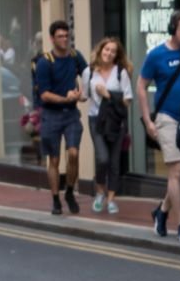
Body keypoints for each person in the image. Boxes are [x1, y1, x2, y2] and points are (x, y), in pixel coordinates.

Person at [138, 10, 180, 242]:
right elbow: (141, 86)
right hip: (167, 117)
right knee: (176, 170)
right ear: (173, 29)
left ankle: (162, 211)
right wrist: (147, 120)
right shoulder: (156, 55)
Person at [33, 21, 88, 218]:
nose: (65, 39)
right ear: (52, 39)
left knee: (73, 153)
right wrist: (66, 98)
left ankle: (70, 192)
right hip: (51, 115)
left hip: (71, 114)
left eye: (67, 36)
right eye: (60, 36)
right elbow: (45, 95)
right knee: (54, 159)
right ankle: (56, 199)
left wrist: (83, 93)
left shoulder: (75, 56)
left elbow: (87, 75)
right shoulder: (45, 62)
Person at [84, 37, 132, 215]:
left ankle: (111, 198)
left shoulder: (121, 73)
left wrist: (108, 95)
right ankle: (99, 192)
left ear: (116, 55)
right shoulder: (88, 72)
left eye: (113, 51)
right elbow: (84, 95)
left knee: (114, 161)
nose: (109, 53)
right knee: (102, 158)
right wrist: (72, 95)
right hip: (96, 119)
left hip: (115, 122)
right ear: (100, 50)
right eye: (106, 49)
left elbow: (127, 101)